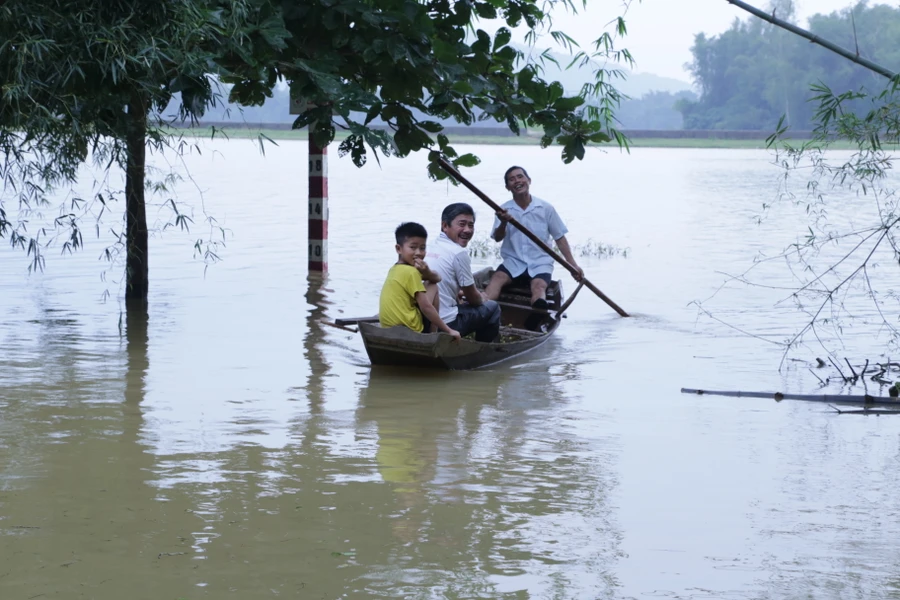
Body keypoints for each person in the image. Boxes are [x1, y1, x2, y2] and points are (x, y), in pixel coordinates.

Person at [484, 166, 584, 330]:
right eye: (512, 179)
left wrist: (572, 265)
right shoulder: (503, 210)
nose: (517, 181)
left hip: (540, 263)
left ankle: (536, 315)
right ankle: (483, 308)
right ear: (507, 187)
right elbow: (497, 237)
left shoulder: (545, 208)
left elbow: (559, 237)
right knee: (497, 278)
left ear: (528, 181)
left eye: (520, 177)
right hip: (513, 262)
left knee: (539, 286)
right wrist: (503, 222)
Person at [427, 203, 502, 343]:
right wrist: (482, 298)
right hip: (446, 323)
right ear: (445, 226)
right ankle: (483, 349)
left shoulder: (430, 246)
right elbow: (474, 298)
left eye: (471, 225)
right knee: (492, 308)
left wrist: (459, 294)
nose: (467, 230)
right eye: (462, 224)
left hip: (426, 320)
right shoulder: (458, 253)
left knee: (462, 302)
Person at [379, 222, 461, 341]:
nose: (418, 253)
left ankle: (432, 334)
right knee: (433, 286)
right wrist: (449, 330)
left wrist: (426, 271)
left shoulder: (394, 269)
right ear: (398, 249)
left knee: (430, 282)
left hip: (388, 328)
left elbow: (436, 277)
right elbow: (426, 307)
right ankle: (432, 335)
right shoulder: (411, 272)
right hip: (411, 329)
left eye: (422, 248)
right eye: (413, 247)